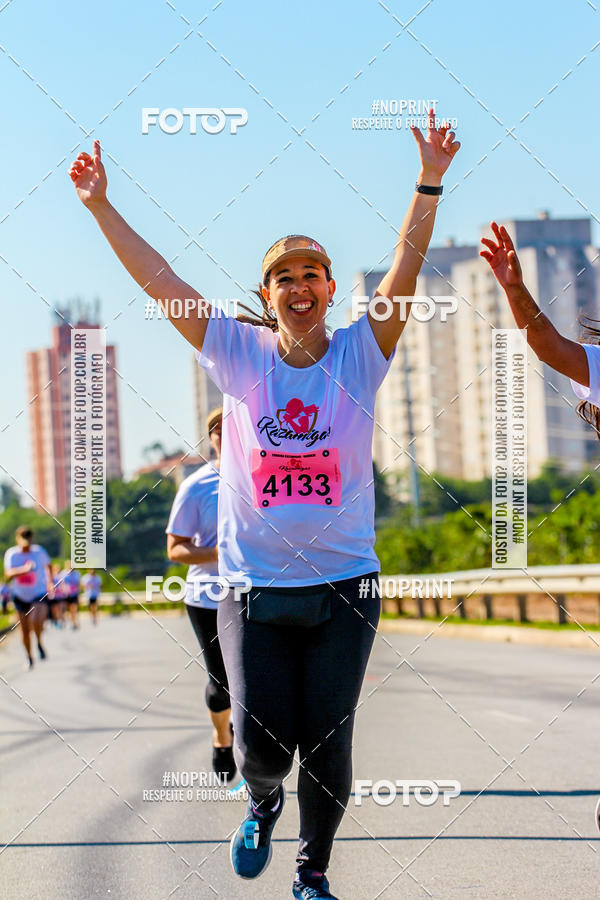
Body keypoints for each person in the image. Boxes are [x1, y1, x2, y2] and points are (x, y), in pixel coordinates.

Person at [69, 112, 459, 899]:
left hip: (346, 581)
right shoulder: (236, 352)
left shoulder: (362, 352)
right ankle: (260, 799)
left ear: (325, 288)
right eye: (285, 276)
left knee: (330, 743)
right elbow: (160, 282)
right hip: (251, 588)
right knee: (262, 746)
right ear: (267, 296)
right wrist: (102, 206)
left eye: (313, 273)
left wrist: (429, 181)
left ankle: (312, 871)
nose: (301, 285)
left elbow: (405, 271)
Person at [166, 408, 236, 783]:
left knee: (259, 678)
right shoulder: (196, 485)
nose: (228, 434)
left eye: (235, 425)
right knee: (222, 681)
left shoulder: (267, 475)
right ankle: (223, 736)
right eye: (219, 430)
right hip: (208, 596)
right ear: (211, 438)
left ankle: (253, 748)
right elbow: (175, 549)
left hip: (257, 593)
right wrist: (219, 554)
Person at [3, 526, 53, 668]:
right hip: (20, 596)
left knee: (36, 619)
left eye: (28, 545)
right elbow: (8, 574)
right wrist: (24, 570)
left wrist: (50, 582)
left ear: (32, 540)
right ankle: (29, 656)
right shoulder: (12, 554)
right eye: (24, 546)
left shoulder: (39, 552)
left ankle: (39, 641)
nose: (27, 548)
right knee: (24, 630)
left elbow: (48, 565)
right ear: (17, 540)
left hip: (37, 593)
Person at [59, 561, 81, 630]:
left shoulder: (77, 573)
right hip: (65, 594)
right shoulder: (63, 573)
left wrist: (79, 593)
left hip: (74, 594)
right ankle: (63, 621)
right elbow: (60, 583)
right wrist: (62, 591)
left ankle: (74, 623)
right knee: (65, 610)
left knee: (73, 609)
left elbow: (78, 584)